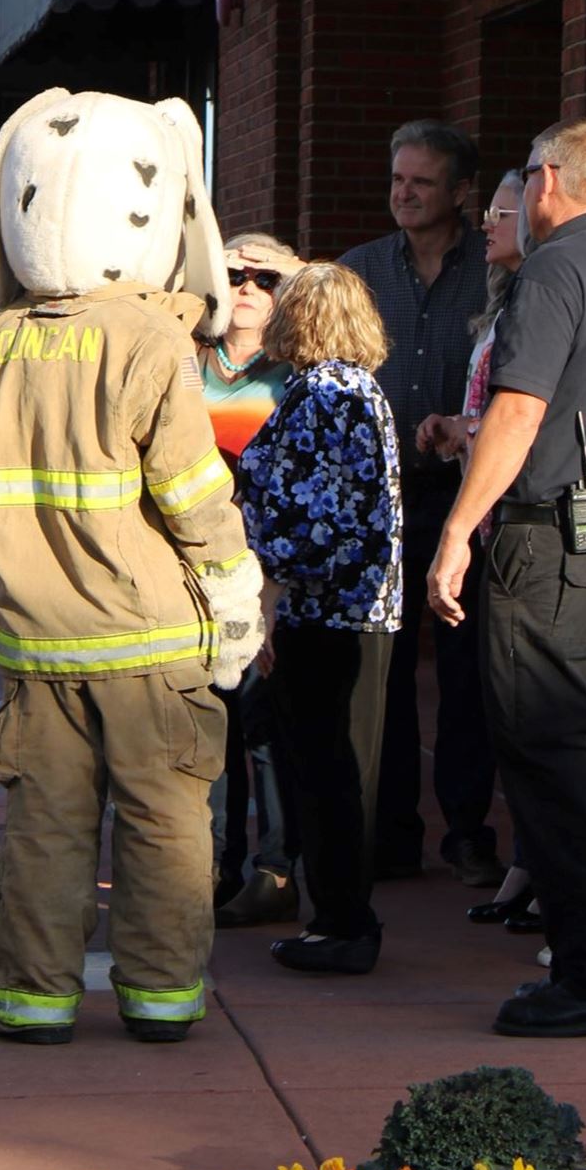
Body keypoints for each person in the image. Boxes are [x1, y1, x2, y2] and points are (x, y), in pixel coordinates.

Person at [0, 87, 263, 1047]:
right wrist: (236, 589)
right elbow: (193, 494)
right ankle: (161, 997)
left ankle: (33, 1000)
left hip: (36, 641)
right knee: (165, 824)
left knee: (46, 828)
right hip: (149, 637)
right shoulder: (149, 339)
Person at [427, 119, 586, 1039]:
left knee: (550, 757)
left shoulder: (554, 271)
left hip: (556, 543)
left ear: (546, 181)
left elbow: (520, 406)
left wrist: (459, 530)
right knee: (585, 753)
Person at [341, 120, 499, 886]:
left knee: (469, 667)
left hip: (469, 495)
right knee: (384, 667)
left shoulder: (497, 275)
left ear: (462, 192)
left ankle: (467, 830)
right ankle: (390, 829)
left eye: (422, 182)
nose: (404, 193)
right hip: (382, 497)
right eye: (397, 179)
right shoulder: (362, 271)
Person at [235, 263, 403, 977]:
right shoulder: (353, 389)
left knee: (327, 771)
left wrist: (258, 568)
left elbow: (319, 517)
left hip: (327, 611)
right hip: (354, 609)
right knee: (333, 766)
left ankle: (342, 922)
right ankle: (337, 915)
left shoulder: (323, 395)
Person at [417, 171, 539, 934]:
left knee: (537, 718)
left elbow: (523, 416)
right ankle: (527, 871)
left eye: (504, 209)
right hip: (490, 524)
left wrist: (458, 527)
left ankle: (550, 880)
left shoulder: (548, 300)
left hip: (516, 533)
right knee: (508, 713)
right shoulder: (507, 298)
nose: (492, 222)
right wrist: (457, 429)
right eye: (491, 208)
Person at [198, 232, 302, 931]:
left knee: (265, 725)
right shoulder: (185, 363)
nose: (246, 287)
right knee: (205, 726)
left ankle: (275, 869)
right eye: (233, 273)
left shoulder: (295, 372)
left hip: (265, 572)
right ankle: (206, 865)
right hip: (193, 568)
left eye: (264, 279)